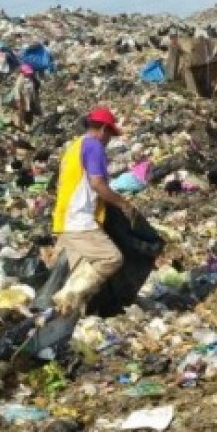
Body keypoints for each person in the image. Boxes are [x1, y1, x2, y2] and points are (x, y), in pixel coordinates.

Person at [51, 107, 139, 315]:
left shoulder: (75, 146)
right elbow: (98, 184)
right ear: (102, 129)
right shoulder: (94, 147)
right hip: (79, 219)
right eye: (109, 133)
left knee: (82, 272)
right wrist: (125, 205)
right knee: (111, 258)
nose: (109, 139)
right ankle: (66, 296)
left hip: (64, 219)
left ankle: (69, 320)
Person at [12, 64, 42, 130]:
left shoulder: (32, 78)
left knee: (30, 112)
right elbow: (17, 89)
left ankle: (27, 125)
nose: (29, 74)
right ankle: (20, 125)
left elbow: (37, 85)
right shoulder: (20, 79)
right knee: (23, 112)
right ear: (23, 72)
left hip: (31, 98)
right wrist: (18, 99)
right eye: (27, 73)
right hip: (24, 99)